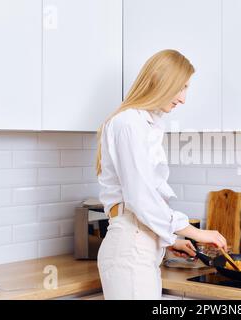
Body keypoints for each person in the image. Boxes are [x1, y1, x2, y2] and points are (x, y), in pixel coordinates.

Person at [95, 49, 228, 299]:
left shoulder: (144, 124)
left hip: (139, 249)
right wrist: (197, 232)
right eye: (181, 87)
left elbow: (141, 203)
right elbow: (141, 199)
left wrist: (170, 240)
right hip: (129, 251)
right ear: (160, 81)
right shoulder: (129, 124)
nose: (183, 98)